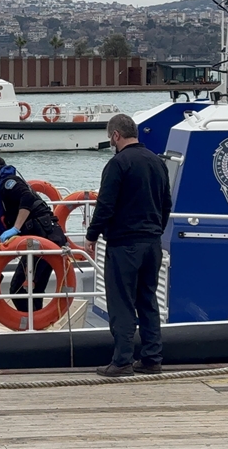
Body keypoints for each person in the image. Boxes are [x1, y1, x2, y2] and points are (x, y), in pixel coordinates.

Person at [84, 114, 172, 378]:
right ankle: (152, 358)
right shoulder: (158, 162)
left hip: (124, 244)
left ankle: (122, 360)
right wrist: (156, 230)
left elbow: (106, 205)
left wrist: (91, 235)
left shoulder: (117, 164)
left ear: (115, 136)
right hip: (151, 242)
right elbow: (166, 203)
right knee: (147, 300)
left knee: (121, 302)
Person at [0, 155, 68, 312]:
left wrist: (16, 228)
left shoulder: (8, 183)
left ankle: (34, 327)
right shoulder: (7, 184)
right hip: (39, 240)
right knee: (30, 290)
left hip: (45, 240)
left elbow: (27, 196)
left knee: (20, 289)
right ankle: (35, 327)